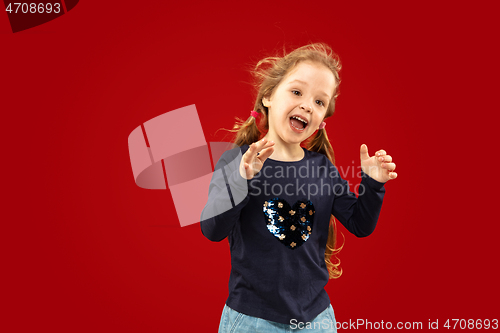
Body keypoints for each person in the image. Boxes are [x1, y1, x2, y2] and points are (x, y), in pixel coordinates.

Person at [200, 43, 398, 332]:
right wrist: (242, 179)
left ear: (320, 122)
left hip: (317, 320)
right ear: (268, 96)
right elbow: (211, 230)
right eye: (296, 92)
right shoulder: (237, 160)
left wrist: (373, 183)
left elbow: (360, 224)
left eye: (319, 102)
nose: (307, 105)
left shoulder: (323, 169)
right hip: (252, 320)